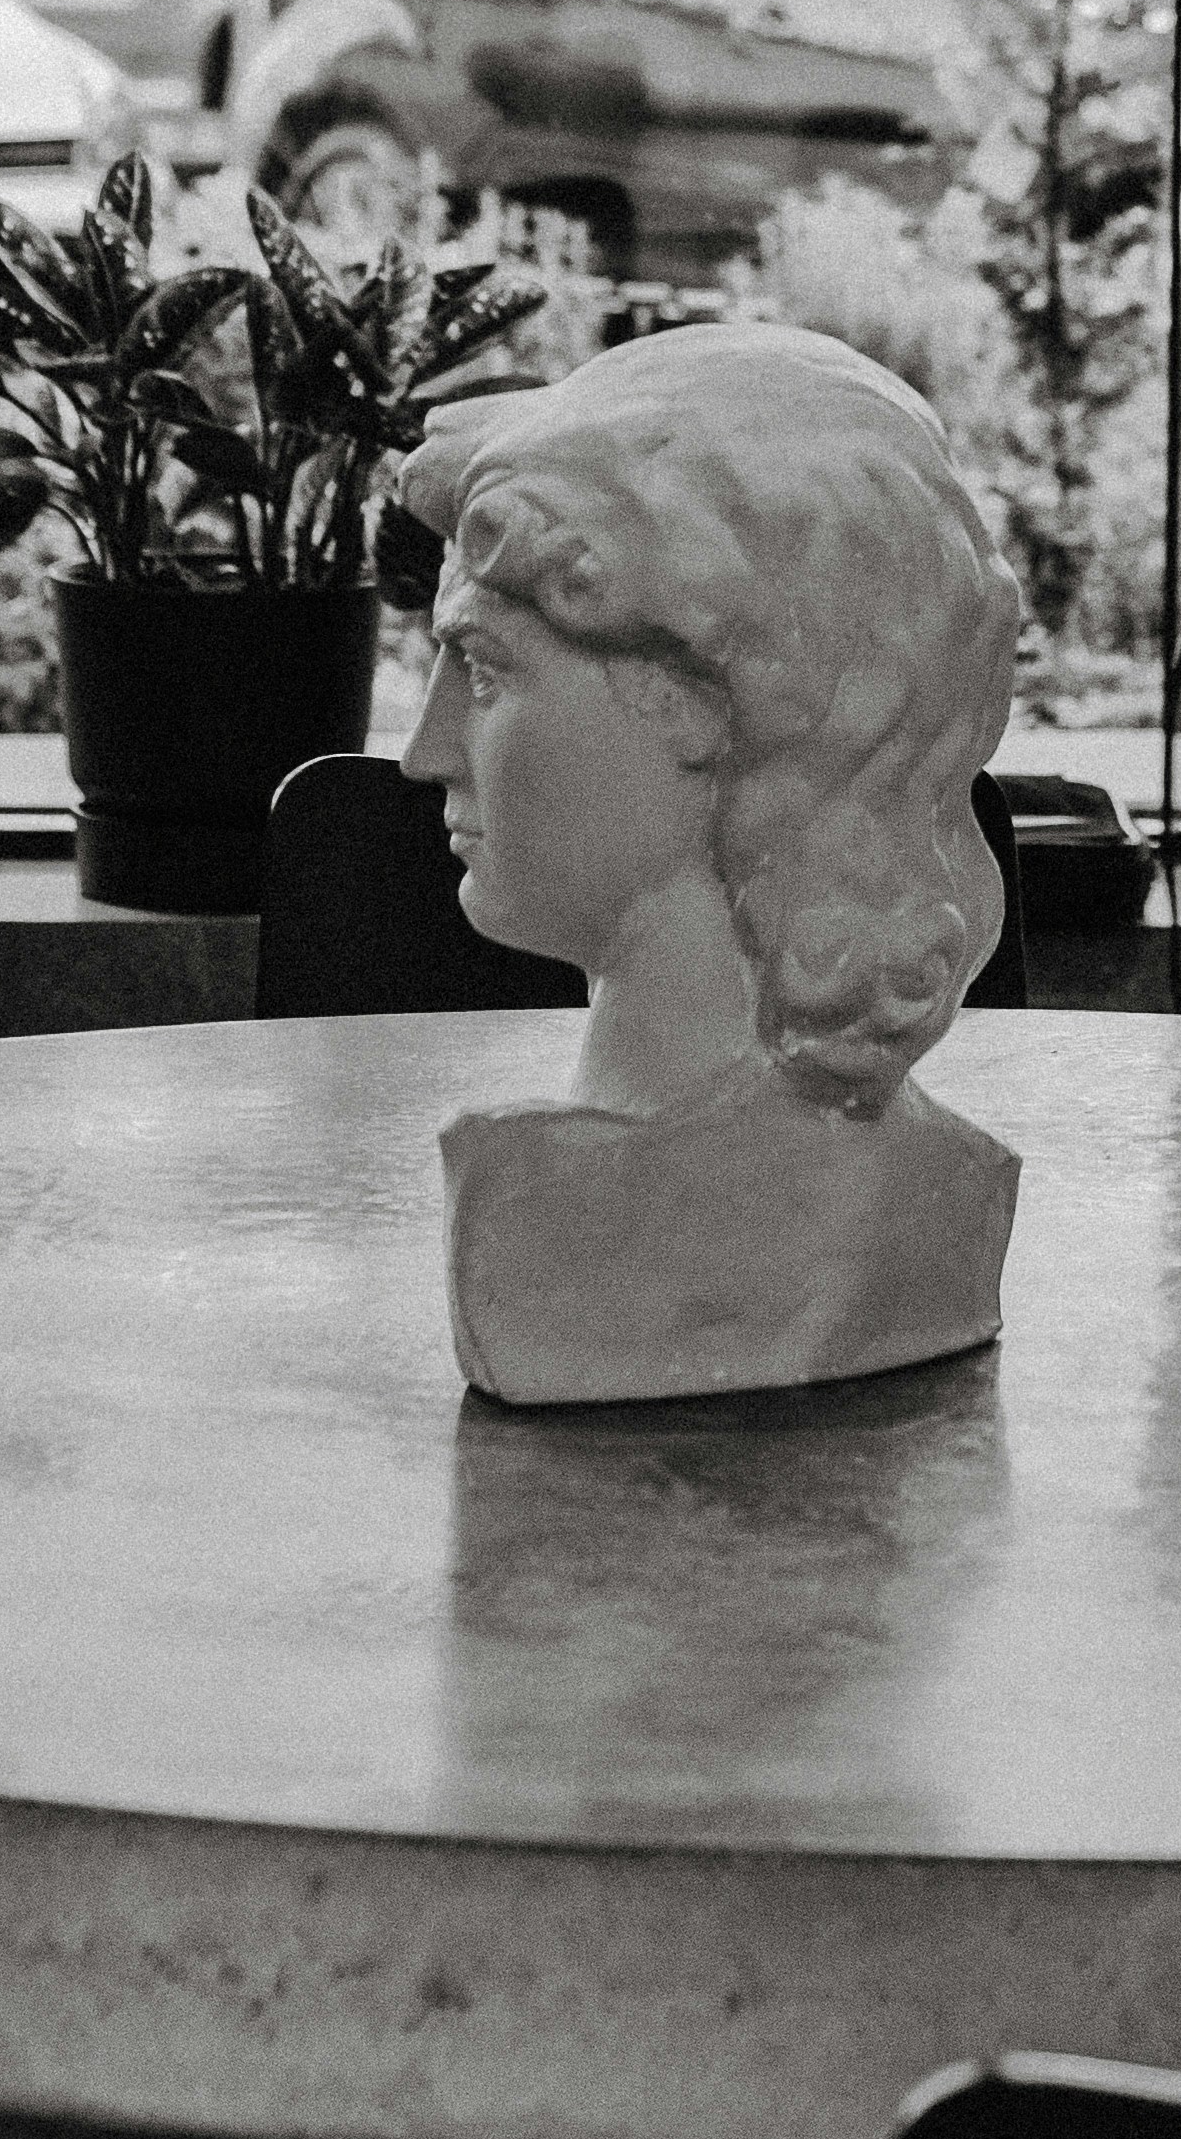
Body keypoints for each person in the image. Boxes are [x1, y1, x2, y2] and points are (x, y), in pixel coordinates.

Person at [400, 326, 1022, 1405]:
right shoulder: (931, 1186)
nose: (425, 750)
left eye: (487, 673)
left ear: (708, 709)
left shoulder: (551, 1214)